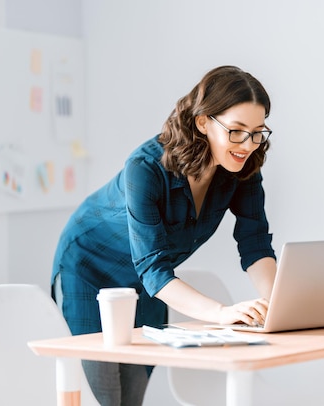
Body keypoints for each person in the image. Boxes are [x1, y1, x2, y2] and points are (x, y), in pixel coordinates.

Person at [51, 65, 277, 405]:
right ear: (204, 122)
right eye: (236, 131)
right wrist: (220, 313)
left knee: (132, 394)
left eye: (258, 132)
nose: (247, 144)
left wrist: (280, 305)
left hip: (147, 281)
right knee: (107, 395)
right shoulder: (145, 168)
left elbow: (255, 242)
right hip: (89, 269)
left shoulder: (242, 168)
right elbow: (155, 269)